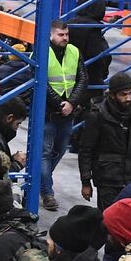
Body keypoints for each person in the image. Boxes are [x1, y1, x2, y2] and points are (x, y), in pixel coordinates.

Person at [78, 73, 131, 212]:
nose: (128, 98)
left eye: (130, 93)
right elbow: (86, 150)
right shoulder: (97, 115)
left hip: (130, 175)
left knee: (126, 217)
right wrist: (86, 182)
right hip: (107, 176)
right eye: (123, 94)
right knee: (108, 218)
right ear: (112, 95)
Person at [41, 18, 87, 212]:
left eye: (66, 34)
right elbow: (40, 81)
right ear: (51, 35)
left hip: (68, 111)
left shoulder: (74, 52)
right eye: (61, 35)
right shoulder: (42, 52)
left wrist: (72, 103)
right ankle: (47, 192)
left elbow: (82, 78)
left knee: (59, 150)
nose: (65, 38)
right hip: (48, 111)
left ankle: (40, 181)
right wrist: (59, 103)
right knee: (44, 152)